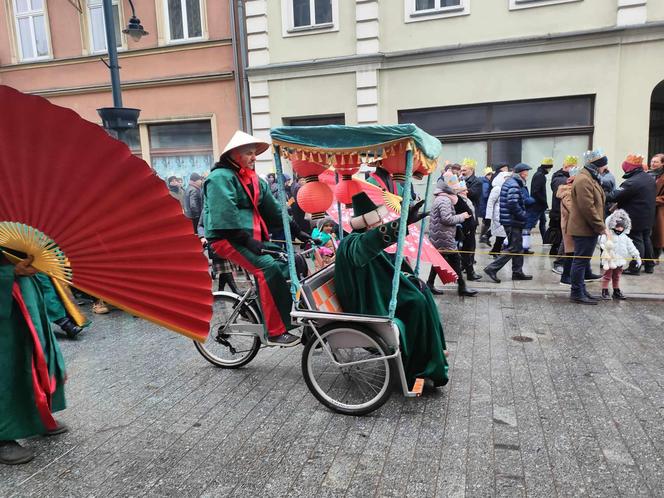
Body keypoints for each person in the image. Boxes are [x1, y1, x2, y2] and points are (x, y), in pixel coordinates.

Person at [203, 130, 316, 346]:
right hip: (226, 238)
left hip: (253, 238)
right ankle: (275, 330)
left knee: (292, 261)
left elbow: (274, 210)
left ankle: (287, 313)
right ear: (234, 155)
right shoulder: (219, 178)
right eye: (249, 153)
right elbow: (223, 216)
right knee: (267, 269)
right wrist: (247, 241)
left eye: (254, 153)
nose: (254, 158)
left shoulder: (254, 179)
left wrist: (297, 231)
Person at [334, 192, 449, 389]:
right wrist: (400, 225)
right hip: (365, 302)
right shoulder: (352, 242)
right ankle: (419, 367)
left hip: (376, 292)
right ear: (368, 224)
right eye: (378, 221)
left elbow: (385, 263)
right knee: (416, 303)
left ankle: (433, 351)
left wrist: (409, 277)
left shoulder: (362, 238)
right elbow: (368, 245)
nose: (380, 224)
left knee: (423, 293)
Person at [0, 253, 68, 465]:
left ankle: (36, 415)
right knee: (5, 363)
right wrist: (7, 272)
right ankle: (3, 436)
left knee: (36, 351)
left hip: (24, 283)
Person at [567, 149, 608, 305]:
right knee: (580, 261)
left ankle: (581, 290)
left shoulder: (590, 177)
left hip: (587, 228)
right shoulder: (584, 179)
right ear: (597, 165)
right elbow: (588, 207)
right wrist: (601, 226)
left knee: (582, 261)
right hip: (583, 228)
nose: (605, 168)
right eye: (604, 165)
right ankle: (576, 293)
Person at [606, 154, 656, 275]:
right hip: (648, 215)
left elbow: (613, 196)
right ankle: (649, 266)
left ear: (629, 168)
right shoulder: (648, 177)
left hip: (635, 217)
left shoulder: (632, 182)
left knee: (637, 240)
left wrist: (601, 193)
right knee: (646, 239)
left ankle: (635, 267)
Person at [483, 163, 533, 283]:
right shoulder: (514, 184)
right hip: (513, 221)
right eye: (526, 172)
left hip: (512, 220)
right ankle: (492, 268)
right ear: (522, 173)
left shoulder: (513, 182)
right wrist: (523, 215)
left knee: (518, 247)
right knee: (513, 248)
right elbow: (513, 203)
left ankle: (517, 272)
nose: (527, 174)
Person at [427, 179, 478, 296]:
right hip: (443, 236)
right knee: (455, 259)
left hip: (441, 235)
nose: (456, 188)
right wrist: (462, 216)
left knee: (438, 260)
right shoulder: (444, 200)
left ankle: (430, 284)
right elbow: (446, 219)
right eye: (453, 186)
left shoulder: (442, 198)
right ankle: (462, 287)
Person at [599, 209, 641, 300]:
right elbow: (602, 242)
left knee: (617, 276)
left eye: (622, 227)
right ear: (612, 225)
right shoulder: (608, 235)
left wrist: (637, 256)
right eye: (617, 226)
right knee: (607, 276)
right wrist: (605, 246)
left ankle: (616, 290)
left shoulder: (625, 238)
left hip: (620, 261)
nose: (619, 229)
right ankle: (605, 290)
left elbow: (631, 247)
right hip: (610, 261)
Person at [549, 156, 577, 271]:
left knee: (564, 239)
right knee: (564, 239)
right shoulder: (560, 179)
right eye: (573, 167)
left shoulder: (562, 178)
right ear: (566, 167)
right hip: (560, 213)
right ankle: (559, 263)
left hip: (563, 212)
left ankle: (561, 262)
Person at [526, 157, 553, 243]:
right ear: (547, 167)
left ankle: (545, 240)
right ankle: (524, 243)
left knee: (543, 222)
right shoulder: (540, 176)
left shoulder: (539, 174)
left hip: (539, 205)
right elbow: (536, 192)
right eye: (550, 168)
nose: (550, 170)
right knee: (529, 225)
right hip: (537, 205)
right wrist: (544, 202)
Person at [485, 169, 512, 257]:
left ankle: (495, 250)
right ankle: (495, 251)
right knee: (501, 235)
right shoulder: (497, 189)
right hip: (498, 215)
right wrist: (488, 217)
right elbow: (490, 203)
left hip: (505, 214)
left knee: (502, 235)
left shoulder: (507, 188)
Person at [650, 153, 664, 261]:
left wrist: (652, 200)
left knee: (658, 235)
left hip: (660, 210)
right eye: (652, 161)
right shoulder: (650, 174)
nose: (653, 164)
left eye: (656, 162)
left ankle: (654, 258)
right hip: (649, 210)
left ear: (662, 164)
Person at [478, 166, 493, 246]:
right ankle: (483, 237)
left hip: (484, 205)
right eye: (489, 174)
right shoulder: (486, 183)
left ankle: (482, 237)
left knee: (486, 221)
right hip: (485, 205)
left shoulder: (485, 182)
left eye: (491, 174)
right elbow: (485, 194)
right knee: (487, 221)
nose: (490, 176)